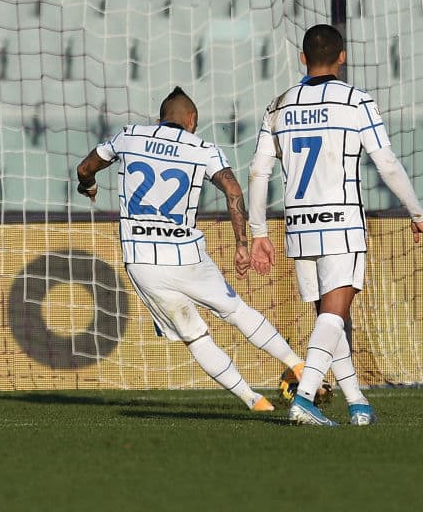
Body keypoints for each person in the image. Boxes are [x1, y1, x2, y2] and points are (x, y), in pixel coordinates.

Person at [247, 23, 423, 427]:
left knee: (330, 320)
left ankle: (357, 402)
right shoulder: (355, 101)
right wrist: (416, 213)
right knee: (334, 315)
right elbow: (386, 162)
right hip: (341, 221)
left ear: (303, 58)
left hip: (298, 225)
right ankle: (305, 396)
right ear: (342, 56)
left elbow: (258, 173)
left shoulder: (277, 105)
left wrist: (258, 232)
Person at [75, 86, 305, 413]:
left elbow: (85, 169)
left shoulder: (129, 136)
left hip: (143, 259)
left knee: (196, 337)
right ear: (192, 119)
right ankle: (297, 365)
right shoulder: (202, 149)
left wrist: (90, 186)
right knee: (236, 311)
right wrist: (242, 244)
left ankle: (254, 401)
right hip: (186, 255)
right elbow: (232, 188)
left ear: (159, 119)